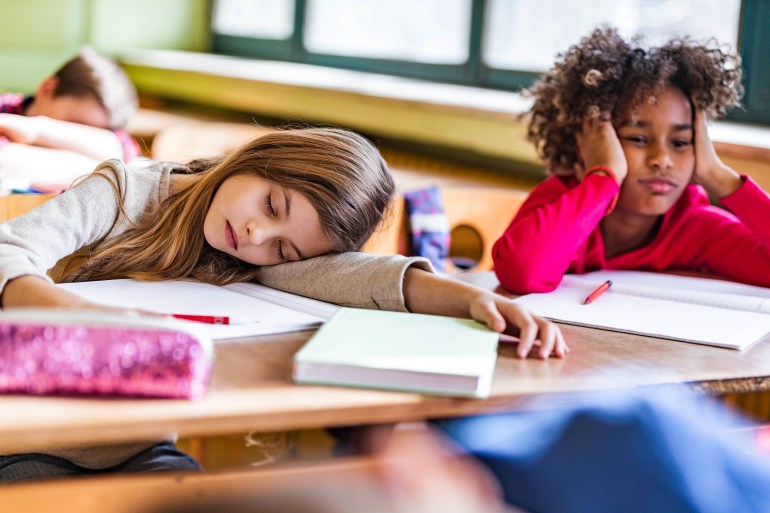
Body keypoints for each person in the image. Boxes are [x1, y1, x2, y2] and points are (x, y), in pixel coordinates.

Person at [0, 126, 567, 483]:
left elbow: (360, 277)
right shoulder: (124, 191)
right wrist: (78, 318)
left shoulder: (252, 255)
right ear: (259, 156)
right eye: (270, 203)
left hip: (140, 447)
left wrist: (473, 300)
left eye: (283, 246)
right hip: (26, 441)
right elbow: (9, 251)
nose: (254, 233)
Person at [492, 26, 770, 294]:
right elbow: (521, 273)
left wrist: (719, 176)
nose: (662, 159)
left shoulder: (694, 228)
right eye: (637, 138)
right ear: (589, 142)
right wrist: (604, 178)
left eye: (681, 143)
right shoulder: (560, 201)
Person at [0, 46, 140, 183]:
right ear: (47, 89)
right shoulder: (5, 107)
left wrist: (35, 130)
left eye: (90, 133)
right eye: (72, 124)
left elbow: (122, 149)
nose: (80, 136)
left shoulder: (112, 135)